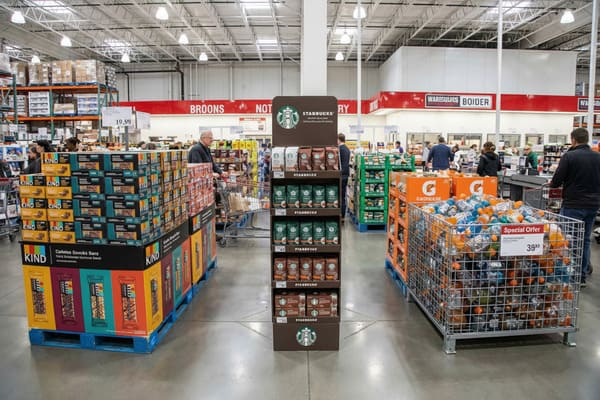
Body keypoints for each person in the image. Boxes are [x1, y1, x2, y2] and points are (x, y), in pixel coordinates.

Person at [550, 128, 600, 287]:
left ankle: (568, 274)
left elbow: (557, 180)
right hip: (593, 205)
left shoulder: (569, 156)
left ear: (573, 140)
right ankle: (581, 276)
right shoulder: (597, 157)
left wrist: (554, 184)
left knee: (568, 240)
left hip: (573, 204)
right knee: (585, 240)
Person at [338, 133, 351, 221]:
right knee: (343, 195)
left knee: (340, 195)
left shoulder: (340, 149)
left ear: (338, 139)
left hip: (341, 174)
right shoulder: (347, 148)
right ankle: (343, 215)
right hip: (346, 173)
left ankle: (341, 216)